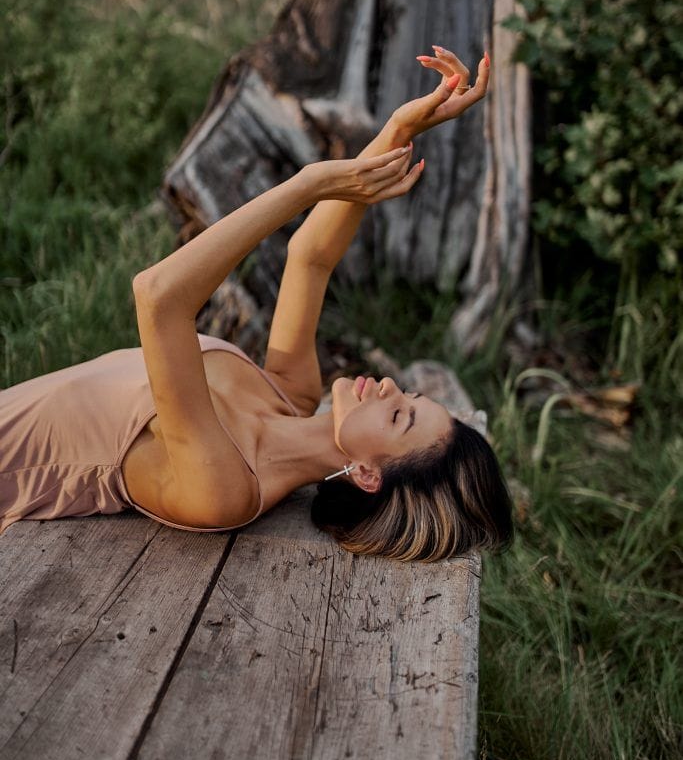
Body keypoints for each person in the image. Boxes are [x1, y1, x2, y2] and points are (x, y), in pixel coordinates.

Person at [1, 45, 513, 562]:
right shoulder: (288, 394)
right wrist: (400, 130)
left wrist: (309, 184)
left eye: (401, 416)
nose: (387, 387)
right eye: (409, 393)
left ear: (366, 474)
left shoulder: (226, 490)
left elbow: (159, 298)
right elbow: (311, 258)